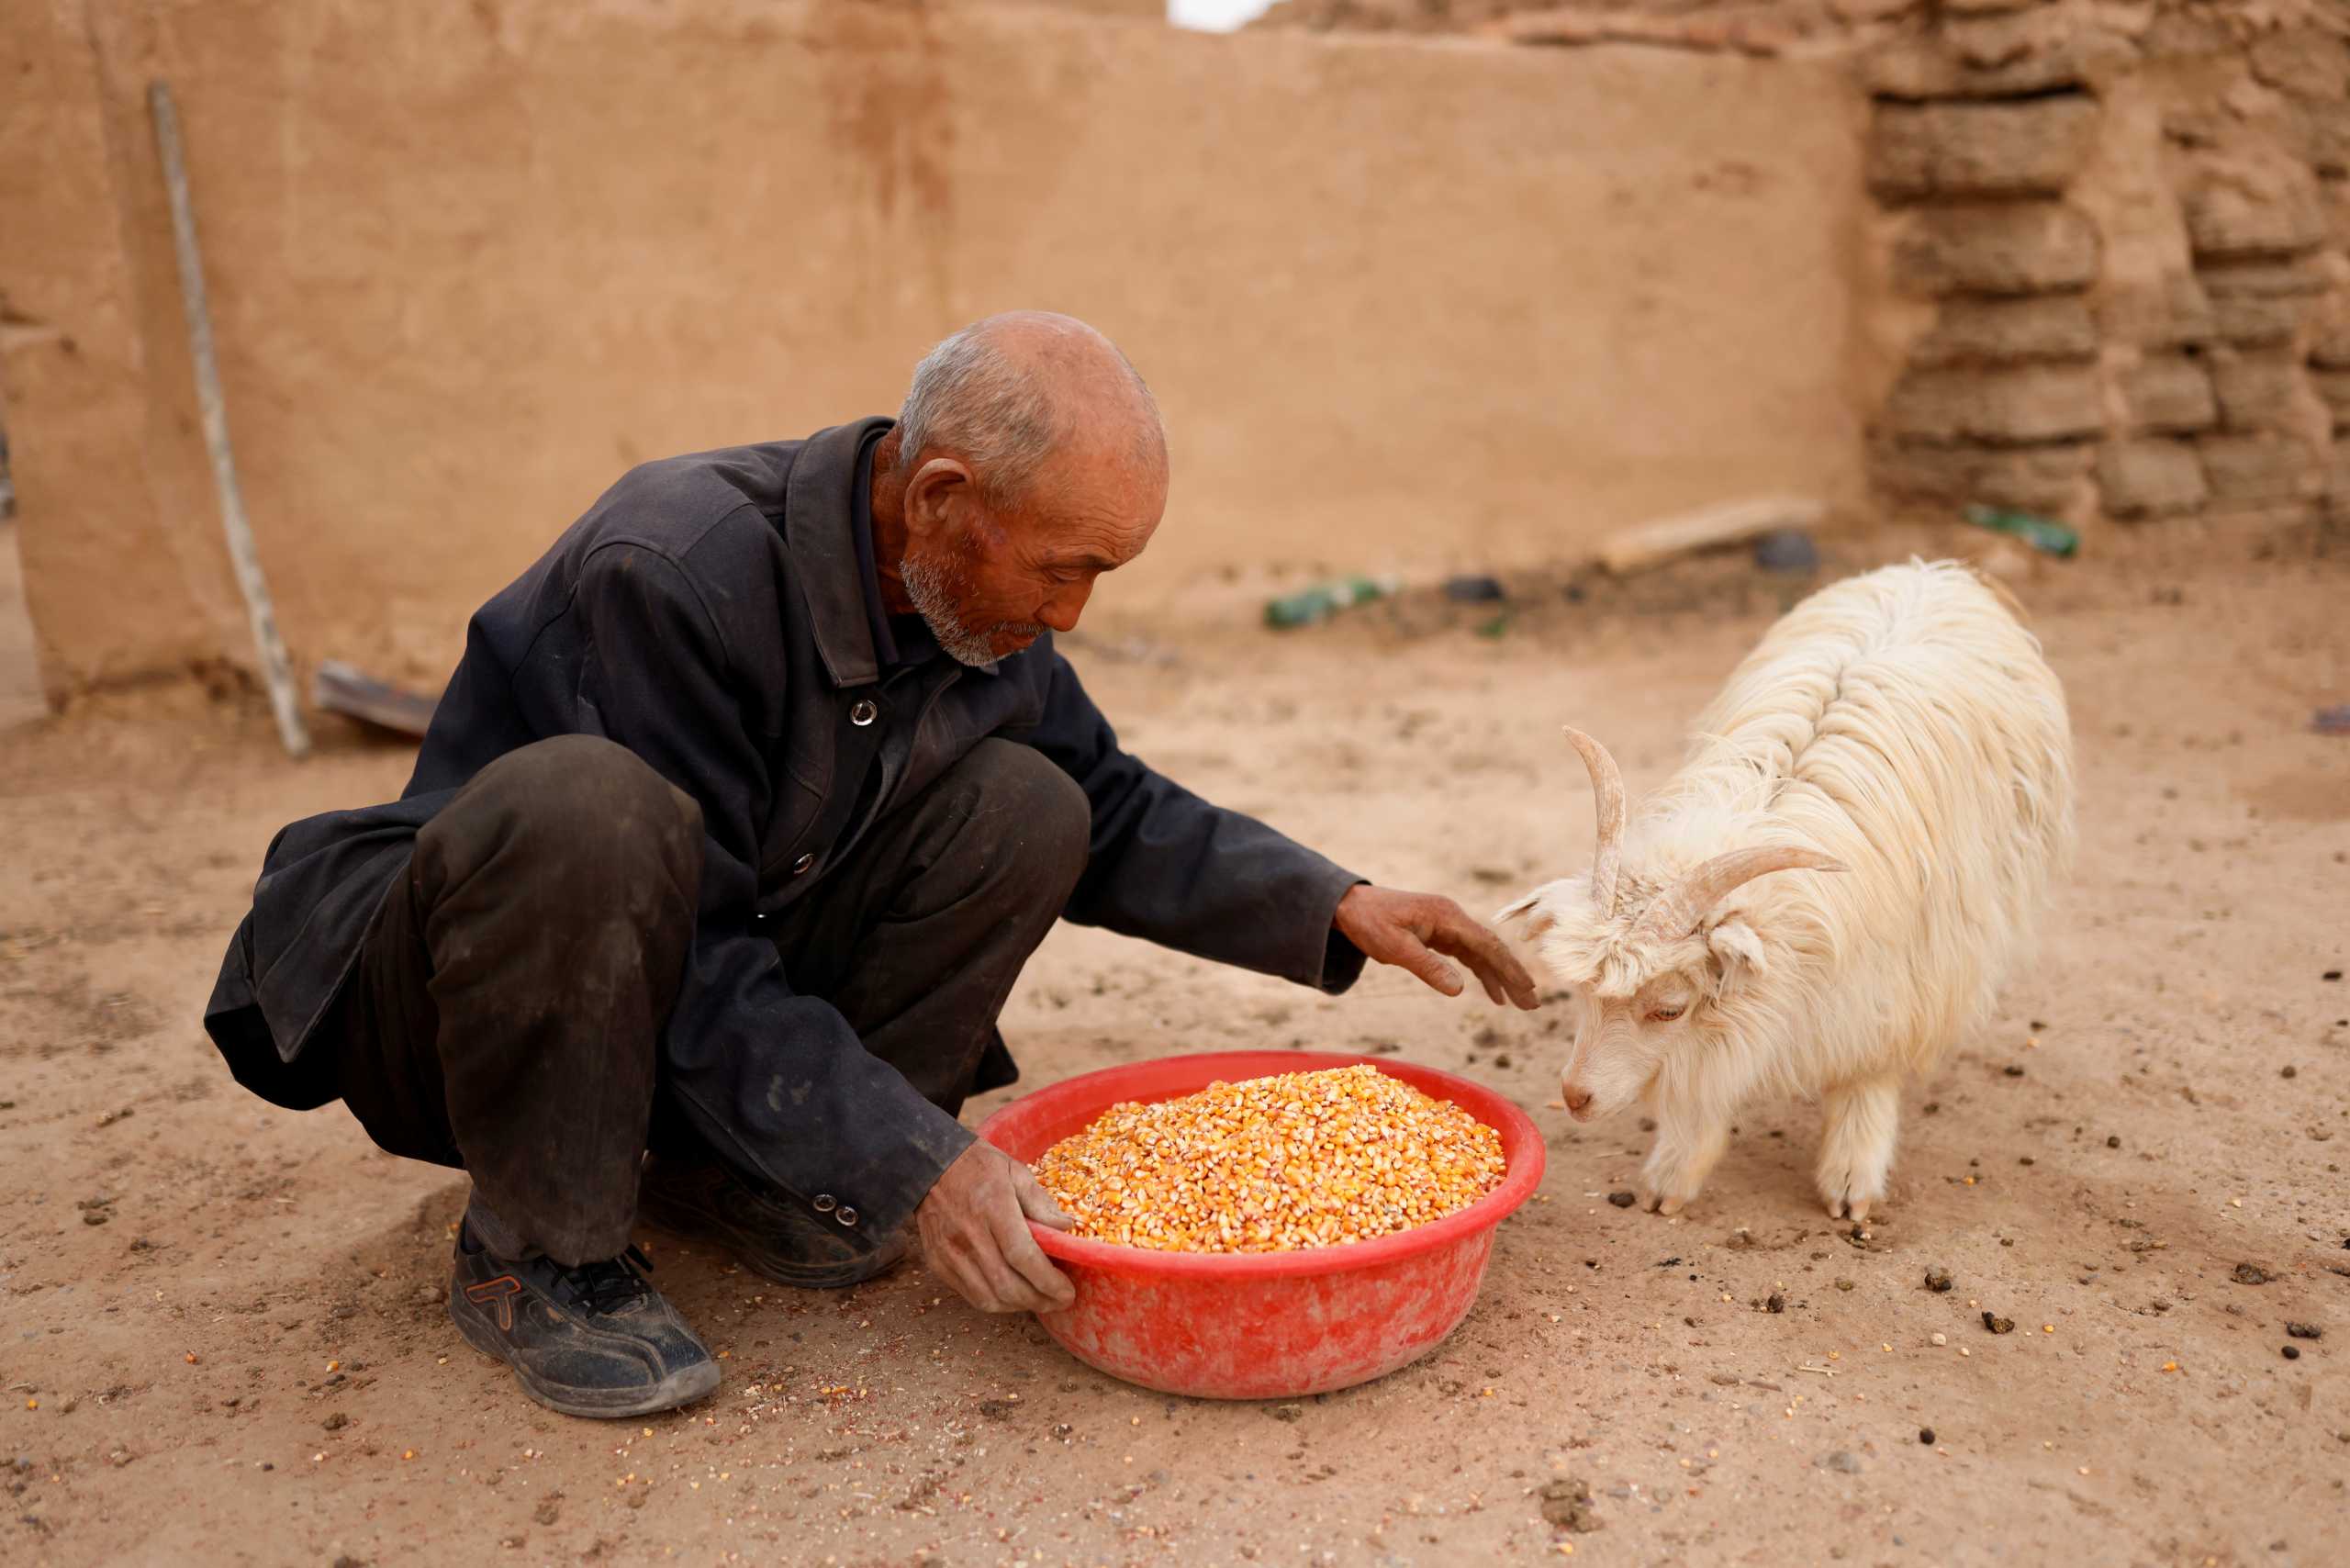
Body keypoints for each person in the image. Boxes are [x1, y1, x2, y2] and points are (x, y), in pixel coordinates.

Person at [203, 311, 1539, 1418]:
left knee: (1029, 802)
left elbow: (1109, 804)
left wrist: (1335, 901)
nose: (1073, 615)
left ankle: (761, 1179)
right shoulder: (671, 569)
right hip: (481, 1007)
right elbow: (696, 950)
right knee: (590, 810)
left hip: (690, 981)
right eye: (1068, 572)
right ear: (946, 498)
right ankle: (537, 1253)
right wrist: (917, 1159)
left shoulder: (967, 602)